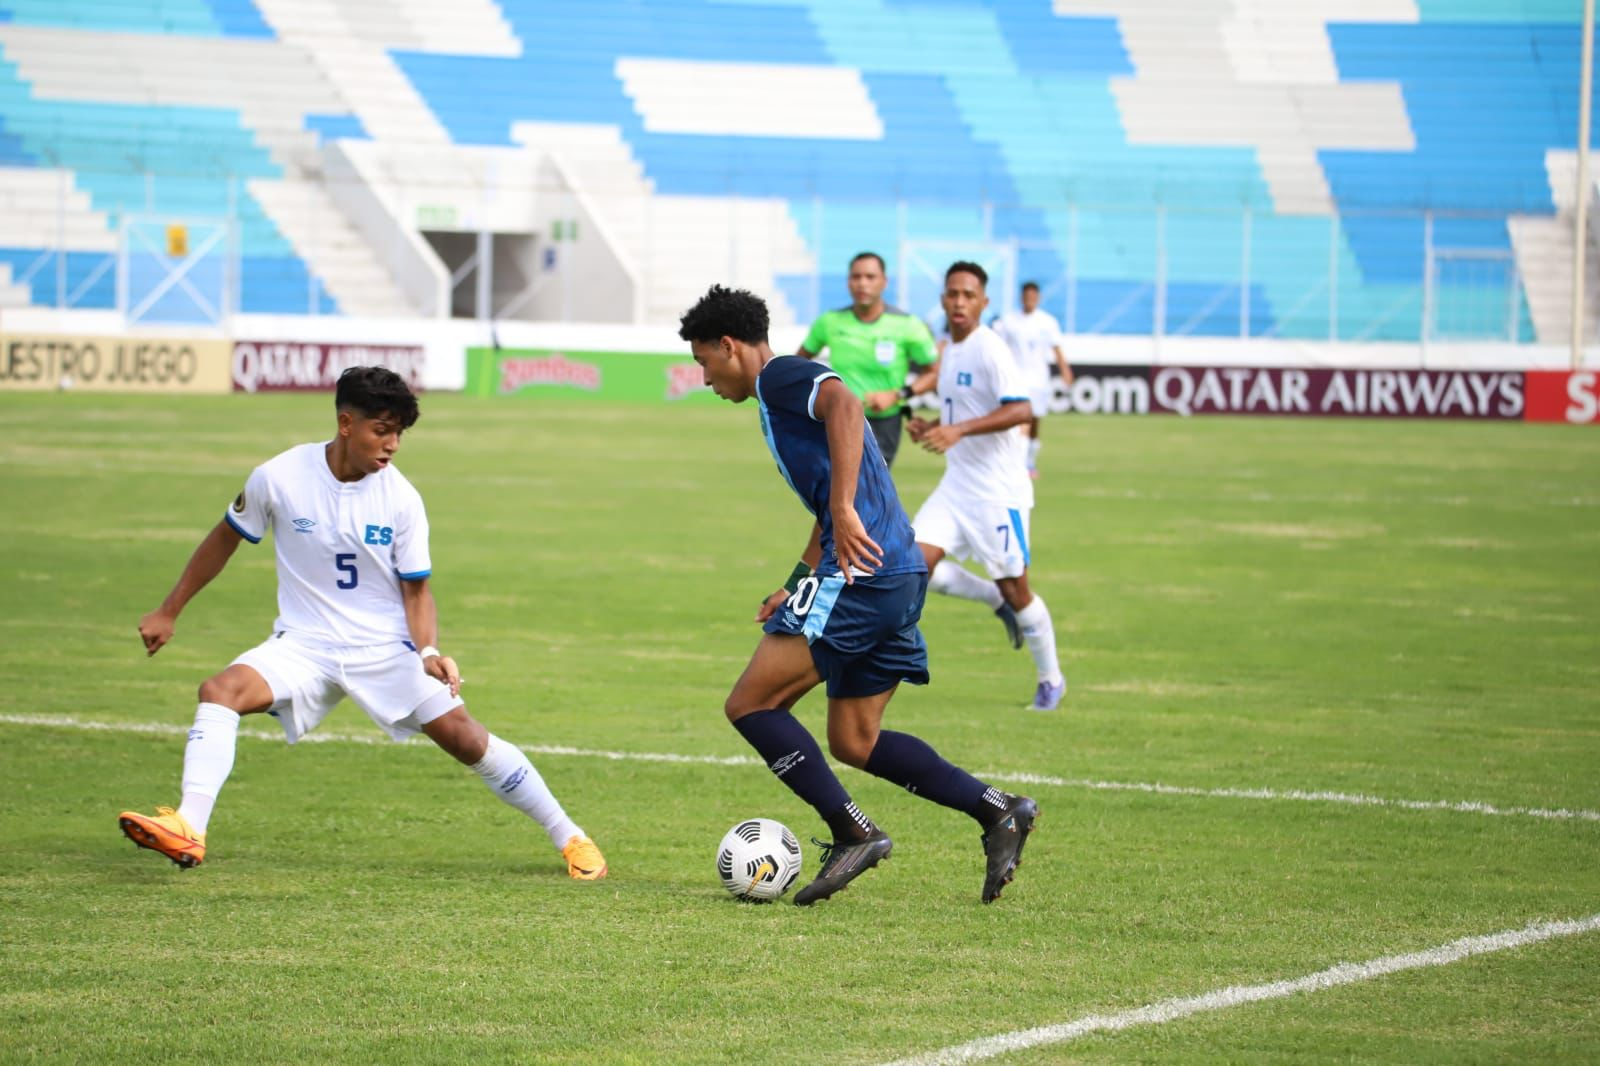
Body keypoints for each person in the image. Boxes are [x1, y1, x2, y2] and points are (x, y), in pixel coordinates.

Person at [118, 366, 607, 880]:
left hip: (385, 650)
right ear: (346, 424)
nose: (392, 444)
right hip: (303, 645)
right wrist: (169, 609)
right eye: (382, 430)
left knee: (465, 738)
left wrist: (428, 652)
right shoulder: (279, 476)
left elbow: (417, 590)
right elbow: (225, 537)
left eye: (399, 433)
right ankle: (189, 826)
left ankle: (570, 836)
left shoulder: (401, 499)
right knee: (220, 691)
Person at [679, 284, 1036, 906]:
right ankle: (999, 810)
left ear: (729, 346)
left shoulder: (781, 376)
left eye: (704, 361)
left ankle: (853, 832)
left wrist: (843, 507)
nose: (705, 378)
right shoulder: (781, 390)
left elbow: (845, 406)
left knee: (751, 704)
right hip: (893, 573)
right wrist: (792, 585)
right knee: (856, 740)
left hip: (862, 578)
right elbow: (827, 507)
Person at [906, 263, 1068, 712]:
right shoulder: (952, 351)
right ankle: (990, 598)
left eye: (968, 295)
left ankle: (1051, 679)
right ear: (943, 299)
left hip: (997, 493)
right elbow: (966, 414)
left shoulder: (989, 347)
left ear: (983, 303)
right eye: (952, 293)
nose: (959, 302)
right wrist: (935, 428)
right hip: (957, 486)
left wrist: (957, 433)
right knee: (912, 567)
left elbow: (1021, 410)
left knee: (1018, 589)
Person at [797, 251, 937, 469]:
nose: (862, 283)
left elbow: (935, 373)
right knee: (832, 490)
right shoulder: (830, 322)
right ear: (848, 282)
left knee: (866, 489)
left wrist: (897, 395)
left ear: (884, 282)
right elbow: (799, 363)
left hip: (884, 424)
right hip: (838, 419)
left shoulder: (908, 325)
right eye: (856, 277)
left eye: (870, 277)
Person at [993, 281, 1073, 479]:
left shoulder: (1047, 322)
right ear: (1022, 298)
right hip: (1016, 379)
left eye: (1033, 297)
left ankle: (1030, 458)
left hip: (1039, 380)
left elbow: (1056, 348)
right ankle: (1020, 464)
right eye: (1026, 297)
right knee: (1022, 420)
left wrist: (1065, 371)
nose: (1029, 300)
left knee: (1035, 422)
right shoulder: (1008, 321)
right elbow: (996, 346)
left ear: (1037, 299)